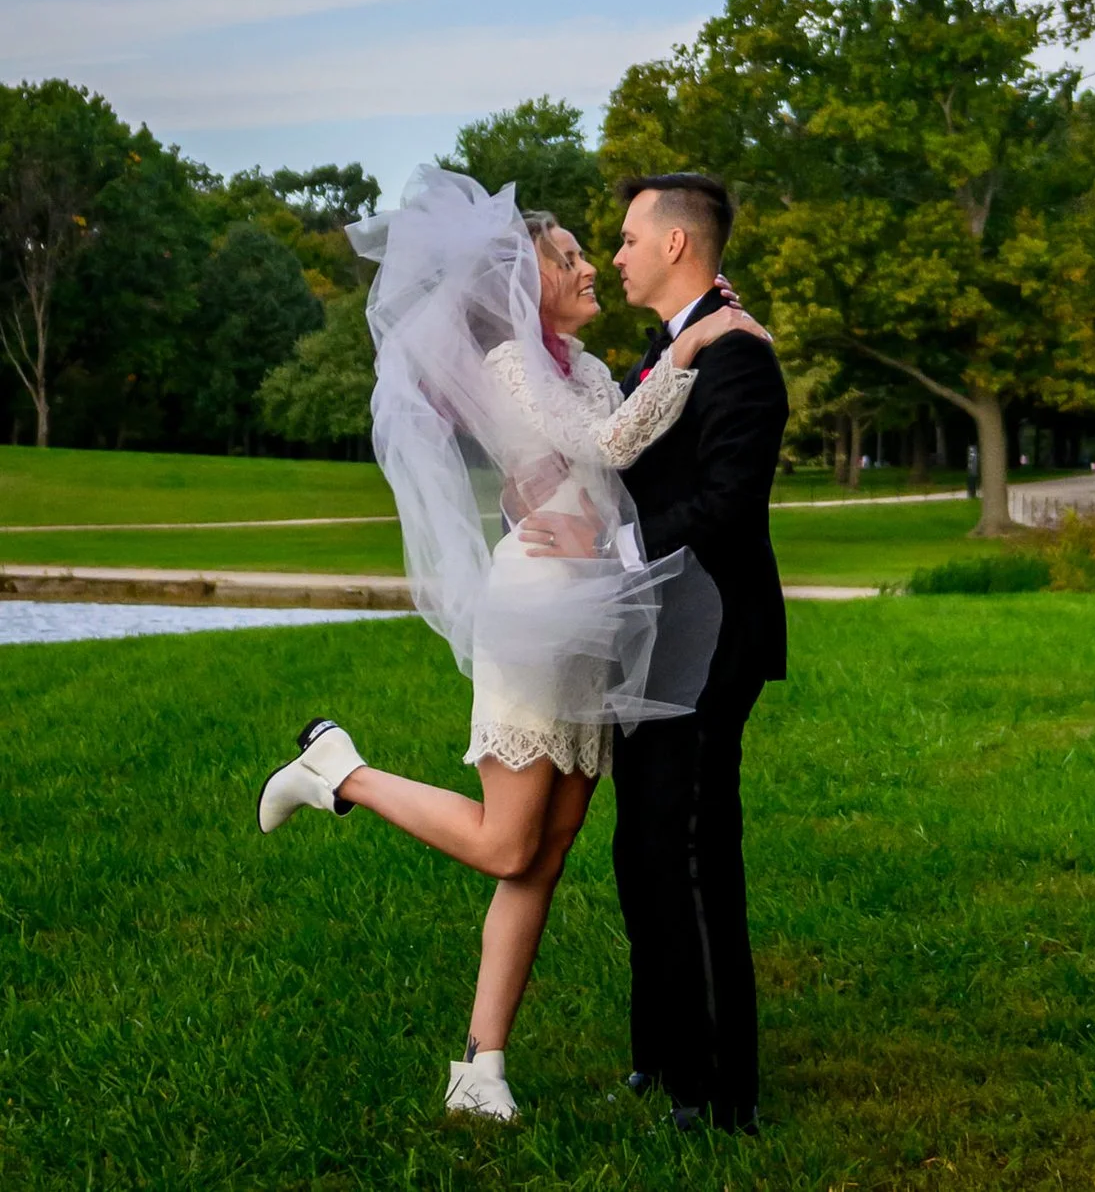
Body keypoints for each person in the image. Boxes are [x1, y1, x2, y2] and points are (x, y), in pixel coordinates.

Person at [254, 168, 767, 1123]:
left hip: (595, 614)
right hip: (539, 609)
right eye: (569, 254)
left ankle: (481, 1067)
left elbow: (620, 439)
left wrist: (682, 350)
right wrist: (698, 336)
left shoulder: (578, 363)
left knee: (546, 850)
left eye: (593, 247)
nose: (590, 265)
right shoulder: (514, 365)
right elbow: (611, 445)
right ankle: (340, 769)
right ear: (519, 282)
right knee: (505, 842)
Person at [593, 171, 789, 1135]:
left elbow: (726, 505)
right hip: (649, 636)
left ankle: (724, 1091)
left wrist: (608, 552)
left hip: (712, 639)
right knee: (641, 847)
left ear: (677, 244)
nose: (617, 252)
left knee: (699, 854)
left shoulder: (742, 358)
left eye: (629, 237)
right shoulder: (667, 349)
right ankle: (662, 1049)